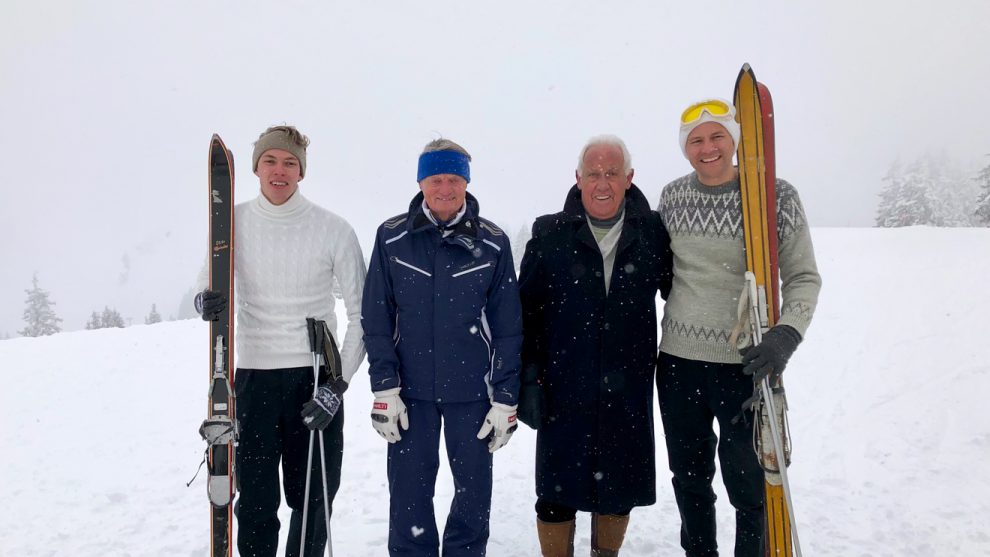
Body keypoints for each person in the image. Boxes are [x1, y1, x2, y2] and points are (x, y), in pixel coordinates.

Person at [655, 99, 822, 556]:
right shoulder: (672, 197)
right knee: (689, 479)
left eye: (717, 136)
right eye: (696, 140)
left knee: (748, 485)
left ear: (734, 140)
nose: (707, 148)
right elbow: (656, 267)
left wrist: (786, 335)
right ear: (686, 150)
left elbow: (804, 277)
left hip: (745, 366)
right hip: (678, 364)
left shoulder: (775, 196)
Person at [194, 125, 367, 557]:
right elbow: (207, 284)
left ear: (301, 172)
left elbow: (362, 316)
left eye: (290, 162)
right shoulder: (232, 223)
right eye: (270, 160)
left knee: (312, 500)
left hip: (314, 380)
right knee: (255, 500)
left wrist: (337, 385)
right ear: (255, 167)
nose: (280, 170)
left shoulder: (334, 230)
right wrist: (205, 299)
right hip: (253, 378)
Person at [361, 138, 523, 556]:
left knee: (473, 499)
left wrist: (505, 399)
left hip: (473, 394)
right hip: (408, 394)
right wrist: (384, 388)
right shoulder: (392, 237)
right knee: (409, 500)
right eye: (436, 179)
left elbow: (508, 326)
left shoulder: (492, 242)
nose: (446, 189)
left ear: (466, 182)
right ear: (421, 181)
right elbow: (376, 318)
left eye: (454, 179)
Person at [517, 135, 673, 557]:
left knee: (617, 488)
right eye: (593, 174)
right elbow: (525, 314)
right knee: (556, 490)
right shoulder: (550, 234)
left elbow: (684, 292)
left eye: (611, 173)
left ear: (629, 178)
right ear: (577, 178)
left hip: (627, 387)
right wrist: (528, 381)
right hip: (563, 385)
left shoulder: (654, 233)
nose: (602, 183)